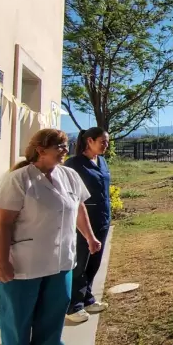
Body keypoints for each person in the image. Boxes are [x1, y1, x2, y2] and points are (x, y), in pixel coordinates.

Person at [0, 129, 102, 345]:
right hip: (24, 264)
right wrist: (2, 261)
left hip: (61, 261)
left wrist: (90, 237)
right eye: (58, 145)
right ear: (40, 149)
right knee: (17, 321)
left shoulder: (69, 176)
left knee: (52, 316)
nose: (64, 149)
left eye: (66, 145)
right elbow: (2, 224)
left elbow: (79, 208)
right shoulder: (19, 180)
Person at [64, 127, 112, 323]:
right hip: (84, 221)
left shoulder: (101, 161)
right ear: (89, 141)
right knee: (80, 263)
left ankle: (87, 298)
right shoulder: (73, 165)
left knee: (94, 262)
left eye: (107, 142)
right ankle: (73, 306)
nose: (106, 145)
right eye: (102, 142)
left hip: (102, 218)